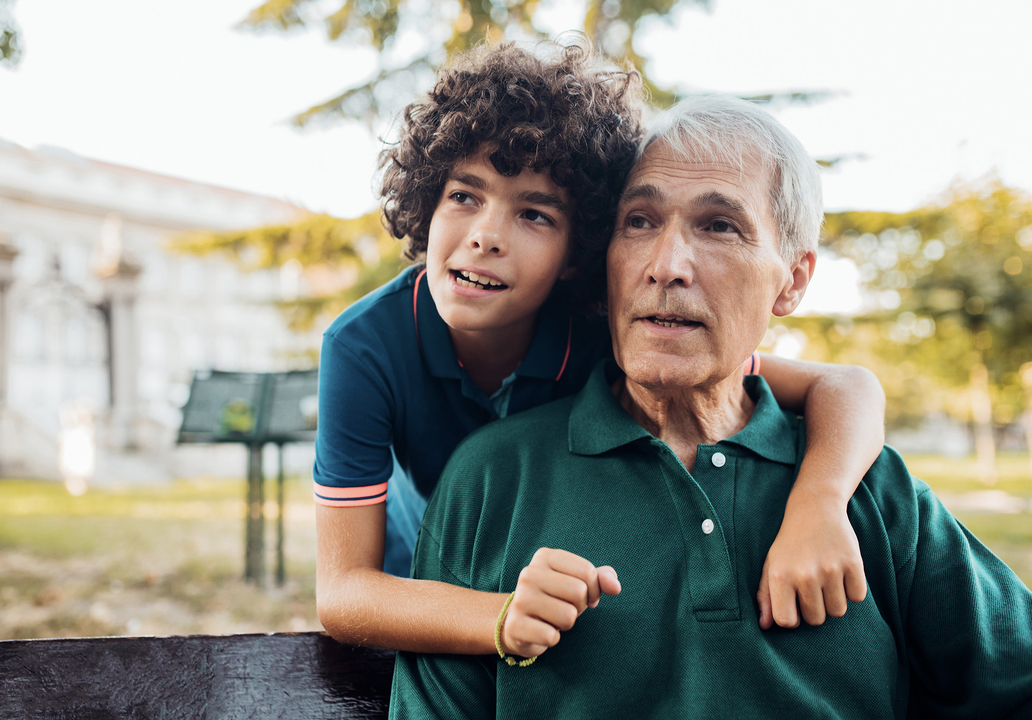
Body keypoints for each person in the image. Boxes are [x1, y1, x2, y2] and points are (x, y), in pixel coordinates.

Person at [389, 94, 1032, 718]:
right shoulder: (492, 476)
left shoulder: (866, 486)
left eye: (720, 226)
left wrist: (820, 500)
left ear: (794, 280)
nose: (667, 266)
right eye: (638, 221)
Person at [313, 40, 887, 659]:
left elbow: (847, 386)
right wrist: (500, 616)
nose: (484, 237)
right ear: (426, 200)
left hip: (553, 579)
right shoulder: (363, 346)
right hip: (424, 571)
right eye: (464, 195)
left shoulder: (606, 336)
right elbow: (344, 592)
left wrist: (820, 502)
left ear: (579, 251)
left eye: (534, 215)